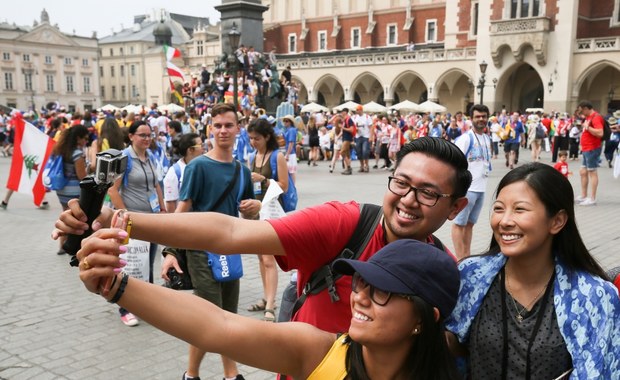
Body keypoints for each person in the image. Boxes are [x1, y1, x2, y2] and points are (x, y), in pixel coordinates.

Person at [53, 136, 471, 336]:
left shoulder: (443, 275)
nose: (408, 200)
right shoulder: (347, 224)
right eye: (401, 182)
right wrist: (118, 221)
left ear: (455, 208)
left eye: (429, 192)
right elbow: (230, 230)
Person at [75, 236, 461, 379]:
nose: (358, 296)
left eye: (382, 291)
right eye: (361, 280)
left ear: (425, 318)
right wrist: (118, 287)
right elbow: (218, 327)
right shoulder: (321, 352)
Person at [446, 162, 620, 379]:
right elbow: (453, 352)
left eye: (520, 209)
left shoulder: (594, 297)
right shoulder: (470, 277)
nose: (505, 221)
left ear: (557, 221)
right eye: (499, 208)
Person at [163, 103, 260, 380]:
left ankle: (197, 374)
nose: (223, 130)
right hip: (200, 250)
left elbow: (247, 216)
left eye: (229, 125)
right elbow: (181, 213)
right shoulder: (198, 167)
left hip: (229, 250)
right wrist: (170, 252)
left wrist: (255, 209)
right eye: (217, 125)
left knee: (226, 315)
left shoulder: (242, 170)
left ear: (238, 129)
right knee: (211, 316)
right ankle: (226, 374)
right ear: (209, 130)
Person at [107, 120, 166, 326]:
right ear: (131, 136)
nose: (147, 139)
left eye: (149, 135)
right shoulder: (124, 158)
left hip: (151, 219)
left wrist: (162, 206)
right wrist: (125, 213)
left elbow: (156, 184)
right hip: (131, 221)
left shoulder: (149, 157)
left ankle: (145, 304)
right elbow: (112, 189)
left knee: (147, 263)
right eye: (142, 135)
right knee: (129, 264)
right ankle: (125, 308)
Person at [247, 118, 289, 322]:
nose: (253, 142)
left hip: (271, 212)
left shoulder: (277, 156)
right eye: (250, 138)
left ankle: (271, 305)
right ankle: (266, 298)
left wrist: (263, 180)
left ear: (267, 137)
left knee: (269, 259)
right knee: (260, 259)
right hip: (257, 212)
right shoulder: (253, 156)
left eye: (256, 138)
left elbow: (284, 185)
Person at [451, 104, 492, 260]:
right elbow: (454, 162)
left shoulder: (487, 138)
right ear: (471, 119)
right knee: (459, 224)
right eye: (477, 116)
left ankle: (467, 256)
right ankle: (461, 259)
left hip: (481, 188)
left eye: (484, 116)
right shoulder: (465, 138)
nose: (481, 119)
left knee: (470, 224)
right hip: (467, 188)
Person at [53, 124, 89, 254]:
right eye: (85, 138)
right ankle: (70, 245)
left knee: (65, 216)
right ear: (78, 138)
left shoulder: (61, 149)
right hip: (74, 191)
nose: (86, 141)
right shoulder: (77, 154)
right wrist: (89, 171)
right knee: (74, 219)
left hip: (62, 189)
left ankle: (62, 245)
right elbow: (81, 176)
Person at [163, 133, 204, 212]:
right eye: (201, 146)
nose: (203, 149)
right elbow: (170, 203)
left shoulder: (203, 166)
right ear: (190, 150)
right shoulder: (174, 172)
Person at [575, 100, 605, 206]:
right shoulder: (588, 117)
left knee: (592, 172)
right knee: (583, 171)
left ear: (586, 108)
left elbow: (600, 133)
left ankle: (592, 198)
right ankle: (584, 195)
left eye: (581, 111)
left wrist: (588, 127)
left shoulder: (596, 117)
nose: (581, 113)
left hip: (592, 148)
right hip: (586, 148)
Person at [352, 105, 372, 173]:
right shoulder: (354, 117)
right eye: (356, 110)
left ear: (361, 110)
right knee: (359, 152)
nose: (356, 111)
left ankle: (366, 165)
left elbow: (371, 127)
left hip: (366, 136)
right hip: (358, 136)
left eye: (358, 110)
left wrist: (371, 136)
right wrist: (355, 129)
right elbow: (353, 127)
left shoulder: (367, 117)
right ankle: (362, 166)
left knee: (365, 152)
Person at [282, 115, 298, 183]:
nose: (285, 123)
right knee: (290, 171)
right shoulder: (288, 130)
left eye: (287, 121)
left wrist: (287, 154)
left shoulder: (291, 130)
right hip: (289, 152)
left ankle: (293, 186)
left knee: (291, 171)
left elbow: (291, 143)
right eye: (284, 121)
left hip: (290, 153)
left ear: (290, 122)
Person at [339, 108, 355, 175]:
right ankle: (348, 168)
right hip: (345, 138)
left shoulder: (349, 119)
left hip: (347, 138)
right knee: (347, 154)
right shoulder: (345, 120)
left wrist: (342, 128)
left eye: (342, 112)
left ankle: (349, 167)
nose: (341, 113)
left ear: (345, 112)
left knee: (342, 152)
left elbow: (351, 130)